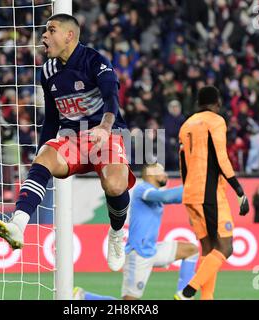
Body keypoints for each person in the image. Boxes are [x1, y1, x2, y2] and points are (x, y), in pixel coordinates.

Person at [0, 14, 136, 272]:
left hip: (107, 133)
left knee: (115, 185)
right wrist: (40, 156)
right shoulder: (47, 72)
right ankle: (18, 225)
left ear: (69, 35)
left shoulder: (95, 61)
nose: (44, 36)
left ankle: (116, 233)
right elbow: (51, 119)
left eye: (51, 30)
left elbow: (112, 98)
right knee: (45, 155)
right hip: (72, 139)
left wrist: (104, 127)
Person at [73, 163, 198, 300]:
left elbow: (169, 197)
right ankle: (84, 297)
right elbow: (167, 197)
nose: (165, 175)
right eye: (161, 171)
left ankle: (184, 296)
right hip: (138, 254)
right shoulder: (142, 189)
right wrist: (193, 186)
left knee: (191, 250)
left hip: (152, 250)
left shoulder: (154, 193)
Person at [175, 85, 249, 300]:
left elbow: (183, 164)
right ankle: (188, 291)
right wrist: (239, 189)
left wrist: (187, 192)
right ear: (217, 103)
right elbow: (221, 156)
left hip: (190, 192)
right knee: (225, 247)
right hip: (209, 194)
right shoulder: (216, 121)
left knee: (208, 252)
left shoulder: (185, 125)